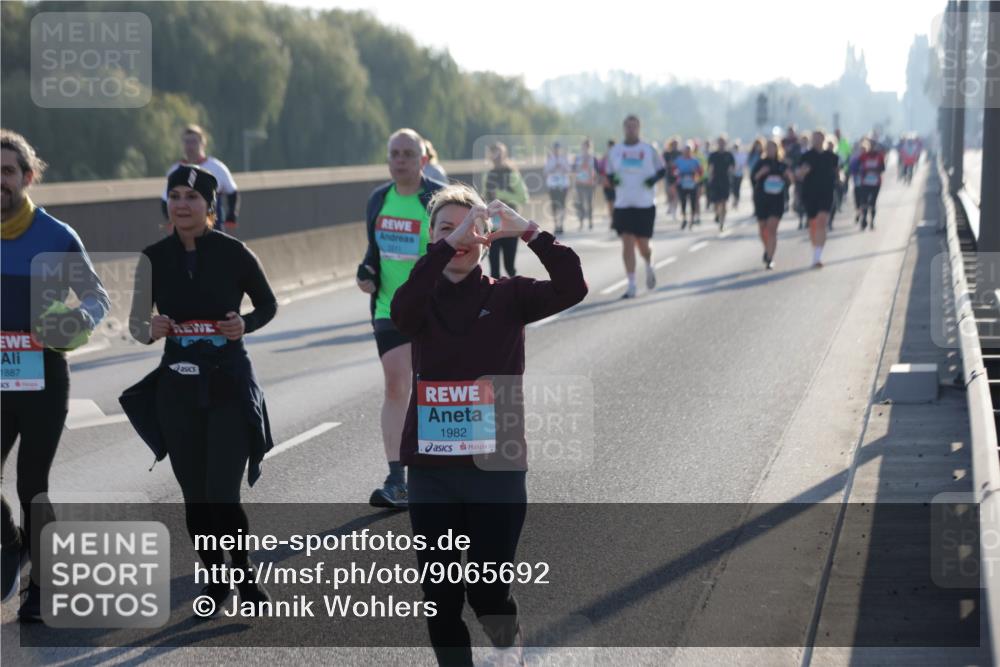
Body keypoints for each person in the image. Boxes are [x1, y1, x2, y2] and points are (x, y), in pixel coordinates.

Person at [390, 183, 587, 667]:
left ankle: (506, 645)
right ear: (432, 239)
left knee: (487, 590)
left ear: (486, 238)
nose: (458, 237)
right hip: (432, 472)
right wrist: (442, 247)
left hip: (495, 469)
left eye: (469, 228)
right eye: (445, 228)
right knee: (440, 597)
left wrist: (531, 232)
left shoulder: (510, 295)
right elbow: (400, 313)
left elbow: (572, 286)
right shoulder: (421, 298)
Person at [121, 165, 276, 615]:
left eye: (192, 196)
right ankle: (215, 579)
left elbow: (268, 304)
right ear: (166, 204)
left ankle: (244, 578)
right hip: (177, 390)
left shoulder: (235, 253)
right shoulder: (153, 257)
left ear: (210, 206)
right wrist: (147, 330)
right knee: (195, 498)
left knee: (223, 495)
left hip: (228, 383)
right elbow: (134, 323)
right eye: (175, 195)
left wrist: (244, 323)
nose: (182, 204)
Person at [1, 130, 110, 621]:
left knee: (32, 485)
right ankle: (11, 541)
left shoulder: (56, 236)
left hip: (43, 378)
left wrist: (68, 323)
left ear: (27, 177)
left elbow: (96, 298)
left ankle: (40, 589)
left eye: (7, 171)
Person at [356, 128, 445, 509]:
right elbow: (373, 252)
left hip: (434, 309)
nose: (401, 160)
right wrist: (366, 271)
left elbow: (457, 251)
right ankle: (398, 480)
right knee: (397, 388)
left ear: (423, 159)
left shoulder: (436, 200)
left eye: (409, 153)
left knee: (436, 389)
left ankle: (448, 472)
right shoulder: (379, 199)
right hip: (388, 308)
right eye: (395, 154)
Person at [605, 115, 666, 299]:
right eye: (628, 126)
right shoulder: (616, 151)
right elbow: (608, 173)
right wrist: (614, 180)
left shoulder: (648, 150)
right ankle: (631, 284)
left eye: (634, 126)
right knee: (627, 242)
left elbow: (662, 170)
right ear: (624, 128)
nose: (631, 129)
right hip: (623, 204)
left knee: (643, 245)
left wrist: (652, 180)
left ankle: (649, 263)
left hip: (644, 204)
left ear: (639, 128)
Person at [162, 125, 239, 234]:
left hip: (212, 230)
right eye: (186, 142)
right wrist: (170, 220)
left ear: (203, 143)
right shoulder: (175, 170)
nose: (190, 146)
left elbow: (232, 191)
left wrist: (231, 215)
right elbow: (165, 199)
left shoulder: (216, 167)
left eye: (193, 142)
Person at [484, 142, 529, 278]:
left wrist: (500, 195)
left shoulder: (512, 173)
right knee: (494, 270)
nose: (496, 157)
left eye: (499, 153)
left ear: (504, 155)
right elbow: (484, 197)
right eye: (493, 153)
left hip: (510, 224)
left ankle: (517, 296)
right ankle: (494, 298)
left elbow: (523, 198)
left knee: (509, 268)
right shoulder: (488, 174)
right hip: (493, 226)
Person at [796, 130, 839, 268]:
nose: (817, 141)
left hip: (826, 193)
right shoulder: (806, 156)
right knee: (813, 224)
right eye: (815, 138)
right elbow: (799, 176)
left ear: (824, 140)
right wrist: (803, 172)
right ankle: (815, 249)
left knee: (821, 222)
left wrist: (840, 178)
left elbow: (837, 172)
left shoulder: (832, 156)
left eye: (820, 138)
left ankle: (817, 256)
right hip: (810, 193)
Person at [751, 139, 792, 270]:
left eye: (772, 148)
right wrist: (761, 173)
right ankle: (767, 248)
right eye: (768, 148)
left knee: (771, 229)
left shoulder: (782, 165)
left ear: (777, 149)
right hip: (762, 199)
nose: (770, 150)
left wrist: (788, 176)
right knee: (763, 229)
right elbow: (753, 178)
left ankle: (770, 257)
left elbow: (790, 181)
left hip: (777, 200)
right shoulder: (760, 163)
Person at [857, 138, 886, 230]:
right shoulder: (863, 156)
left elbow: (883, 168)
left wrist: (875, 170)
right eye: (871, 145)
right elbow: (857, 166)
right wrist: (863, 171)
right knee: (864, 202)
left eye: (874, 145)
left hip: (876, 183)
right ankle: (864, 220)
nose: (872, 147)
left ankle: (872, 222)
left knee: (873, 203)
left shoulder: (879, 156)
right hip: (865, 182)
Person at [707, 136, 735, 230]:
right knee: (716, 202)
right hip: (715, 180)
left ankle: (722, 222)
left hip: (725, 180)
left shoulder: (729, 155)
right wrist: (710, 179)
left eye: (723, 142)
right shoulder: (713, 155)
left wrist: (731, 178)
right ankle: (717, 214)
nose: (721, 144)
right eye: (720, 142)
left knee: (724, 202)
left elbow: (732, 167)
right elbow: (710, 167)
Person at [673, 144, 703, 229]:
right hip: (682, 183)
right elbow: (673, 171)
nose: (687, 153)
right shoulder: (678, 160)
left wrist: (696, 174)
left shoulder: (695, 161)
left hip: (692, 184)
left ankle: (692, 219)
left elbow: (700, 171)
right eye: (685, 151)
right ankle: (684, 219)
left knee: (693, 201)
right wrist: (677, 173)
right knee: (683, 202)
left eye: (688, 151)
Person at [544, 142, 570, 235]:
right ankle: (556, 225)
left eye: (558, 148)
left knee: (562, 205)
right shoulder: (550, 159)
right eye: (555, 148)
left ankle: (561, 224)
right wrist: (553, 167)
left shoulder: (564, 158)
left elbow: (569, 169)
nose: (557, 150)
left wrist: (562, 167)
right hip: (553, 185)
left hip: (563, 184)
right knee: (554, 205)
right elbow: (545, 171)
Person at [571, 138, 598, 230]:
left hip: (590, 183)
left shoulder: (592, 157)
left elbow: (597, 170)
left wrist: (594, 178)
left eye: (587, 146)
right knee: (581, 203)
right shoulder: (578, 157)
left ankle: (590, 221)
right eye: (584, 146)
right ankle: (581, 222)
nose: (586, 148)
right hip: (580, 183)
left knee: (590, 203)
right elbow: (573, 169)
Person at [662, 137, 681, 220]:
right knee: (670, 193)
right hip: (669, 175)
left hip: (678, 176)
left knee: (676, 193)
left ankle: (675, 210)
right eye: (673, 144)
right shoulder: (667, 153)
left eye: (676, 144)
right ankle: (670, 206)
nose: (675, 146)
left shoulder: (680, 153)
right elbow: (664, 164)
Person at [599, 139, 616, 223]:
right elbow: (600, 169)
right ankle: (612, 219)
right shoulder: (605, 158)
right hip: (606, 183)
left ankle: (616, 219)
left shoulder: (618, 157)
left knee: (616, 202)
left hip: (616, 183)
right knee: (609, 202)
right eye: (609, 147)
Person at [730, 139, 747, 210]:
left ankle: (737, 201)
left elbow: (744, 164)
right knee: (734, 188)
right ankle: (734, 199)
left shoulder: (742, 155)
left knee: (738, 188)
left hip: (740, 174)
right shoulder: (732, 155)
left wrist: (740, 167)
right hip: (733, 174)